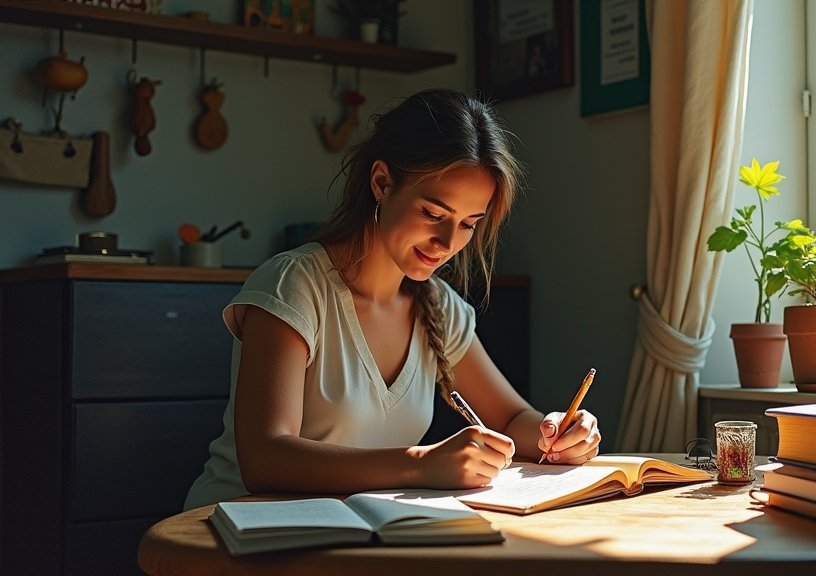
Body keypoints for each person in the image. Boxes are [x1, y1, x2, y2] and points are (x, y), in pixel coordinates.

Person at [184, 88, 601, 510]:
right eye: (433, 214)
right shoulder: (294, 286)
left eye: (468, 224)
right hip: (241, 534)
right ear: (382, 182)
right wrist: (420, 464)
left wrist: (558, 431)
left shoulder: (438, 306)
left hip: (352, 533)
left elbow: (511, 419)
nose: (447, 242)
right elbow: (265, 460)